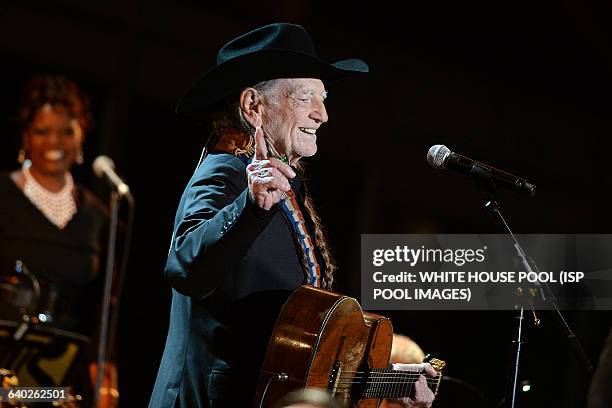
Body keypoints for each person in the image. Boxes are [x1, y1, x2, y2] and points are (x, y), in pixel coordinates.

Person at [149, 23, 436, 408]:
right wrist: (248, 206)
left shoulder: (286, 187)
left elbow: (292, 353)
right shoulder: (225, 174)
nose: (323, 115)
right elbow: (184, 267)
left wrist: (383, 383)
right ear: (254, 106)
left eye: (324, 99)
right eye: (307, 98)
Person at [0, 75, 118, 407]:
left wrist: (105, 381)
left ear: (82, 135)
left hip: (61, 377)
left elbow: (102, 310)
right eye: (42, 131)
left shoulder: (98, 213)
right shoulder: (4, 195)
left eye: (67, 131)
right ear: (26, 136)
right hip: (4, 365)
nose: (56, 141)